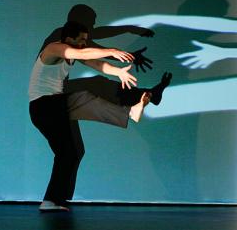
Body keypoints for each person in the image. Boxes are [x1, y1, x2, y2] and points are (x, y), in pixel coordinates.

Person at [29, 21, 152, 212]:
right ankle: (129, 112)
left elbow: (96, 63)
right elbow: (82, 54)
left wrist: (118, 71)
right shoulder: (54, 48)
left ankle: (51, 201)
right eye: (81, 40)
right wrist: (111, 50)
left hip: (54, 108)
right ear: (69, 38)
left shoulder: (74, 52)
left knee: (71, 153)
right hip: (44, 107)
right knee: (83, 98)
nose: (84, 44)